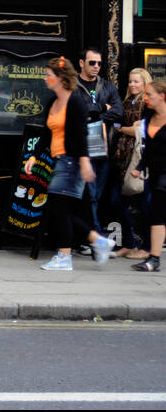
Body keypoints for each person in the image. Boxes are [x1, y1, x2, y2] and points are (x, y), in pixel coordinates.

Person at [31, 57, 115, 271]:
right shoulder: (53, 101)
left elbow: (81, 134)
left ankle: (65, 256)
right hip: (60, 160)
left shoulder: (75, 101)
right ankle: (98, 241)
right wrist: (34, 156)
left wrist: (85, 162)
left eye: (49, 75)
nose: (46, 79)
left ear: (60, 78)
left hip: (72, 162)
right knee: (64, 210)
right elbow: (46, 131)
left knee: (59, 209)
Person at [76, 47, 122, 235]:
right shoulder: (73, 85)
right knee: (90, 196)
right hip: (83, 150)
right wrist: (102, 107)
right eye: (92, 63)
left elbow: (119, 112)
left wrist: (94, 112)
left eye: (99, 63)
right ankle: (96, 240)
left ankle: (89, 238)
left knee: (96, 196)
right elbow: (77, 112)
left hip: (104, 149)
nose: (96, 67)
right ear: (81, 63)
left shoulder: (108, 86)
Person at [113, 67, 152, 258]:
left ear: (145, 83)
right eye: (130, 81)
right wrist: (127, 128)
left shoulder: (148, 103)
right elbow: (123, 125)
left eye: (136, 81)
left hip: (140, 158)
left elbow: (142, 131)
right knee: (116, 200)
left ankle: (148, 248)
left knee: (145, 204)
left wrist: (122, 129)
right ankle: (129, 243)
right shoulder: (126, 101)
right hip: (122, 158)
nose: (132, 84)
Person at [129, 77, 166, 272]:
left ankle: (154, 258)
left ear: (162, 96)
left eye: (149, 95)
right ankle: (153, 257)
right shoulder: (149, 113)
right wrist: (140, 166)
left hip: (165, 176)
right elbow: (148, 146)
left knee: (157, 214)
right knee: (155, 214)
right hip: (154, 172)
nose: (146, 99)